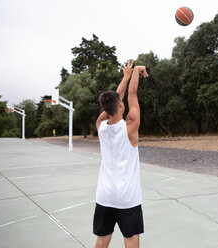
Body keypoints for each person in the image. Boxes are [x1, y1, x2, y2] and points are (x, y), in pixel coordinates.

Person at [93, 60, 148, 248]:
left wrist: (126, 77)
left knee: (102, 240)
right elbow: (132, 93)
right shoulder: (130, 127)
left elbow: (119, 98)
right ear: (121, 106)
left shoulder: (100, 127)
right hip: (127, 198)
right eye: (121, 102)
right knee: (131, 241)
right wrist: (135, 71)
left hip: (104, 195)